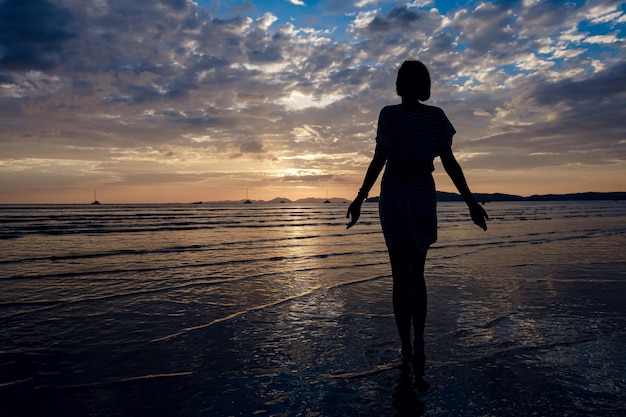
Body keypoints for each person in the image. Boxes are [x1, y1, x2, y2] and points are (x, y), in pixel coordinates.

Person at [346, 60, 488, 391]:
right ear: (424, 84)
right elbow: (450, 163)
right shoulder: (436, 117)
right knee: (418, 274)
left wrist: (360, 197)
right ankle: (420, 343)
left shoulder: (389, 114)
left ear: (399, 84)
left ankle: (406, 347)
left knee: (401, 276)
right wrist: (470, 201)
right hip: (424, 192)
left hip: (396, 192)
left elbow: (379, 159)